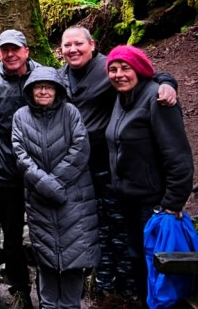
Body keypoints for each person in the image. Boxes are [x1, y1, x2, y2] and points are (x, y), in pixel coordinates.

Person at [59, 26, 178, 301]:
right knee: (94, 227)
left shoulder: (108, 68)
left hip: (112, 166)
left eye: (78, 44)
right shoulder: (60, 76)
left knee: (120, 228)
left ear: (92, 45)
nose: (73, 50)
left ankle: (129, 289)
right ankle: (103, 285)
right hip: (78, 169)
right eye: (67, 45)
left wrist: (167, 83)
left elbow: (145, 73)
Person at [105, 45, 194, 305]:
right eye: (113, 69)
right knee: (139, 262)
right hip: (129, 200)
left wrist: (172, 203)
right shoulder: (121, 98)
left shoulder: (158, 99)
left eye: (125, 68)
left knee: (159, 268)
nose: (119, 74)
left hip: (155, 205)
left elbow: (178, 156)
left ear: (140, 70)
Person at [12, 66, 100, 309]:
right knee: (46, 258)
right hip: (40, 200)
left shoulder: (70, 112)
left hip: (74, 197)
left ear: (57, 90)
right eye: (38, 87)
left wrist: (55, 183)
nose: (42, 91)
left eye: (48, 86)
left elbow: (80, 148)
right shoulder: (21, 116)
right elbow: (21, 156)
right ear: (30, 91)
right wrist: (47, 185)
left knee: (74, 258)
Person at [0, 29, 41, 309]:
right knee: (13, 238)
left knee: (49, 233)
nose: (9, 55)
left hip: (44, 174)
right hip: (7, 175)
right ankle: (20, 290)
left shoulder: (46, 79)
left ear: (27, 50)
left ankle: (54, 288)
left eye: (15, 49)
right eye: (4, 50)